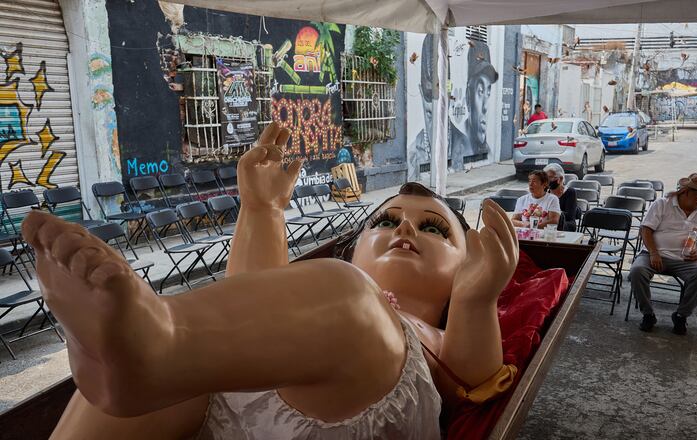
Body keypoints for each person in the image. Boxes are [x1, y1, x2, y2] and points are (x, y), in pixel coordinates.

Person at [26, 122, 519, 439]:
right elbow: (253, 290)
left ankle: (157, 345)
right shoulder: (305, 305)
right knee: (163, 384)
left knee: (349, 300)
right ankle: (145, 357)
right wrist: (262, 209)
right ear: (356, 248)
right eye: (386, 222)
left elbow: (474, 379)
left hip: (369, 405)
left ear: (461, 269)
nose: (406, 228)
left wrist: (476, 300)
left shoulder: (418, 326)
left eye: (434, 229)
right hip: (241, 398)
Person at [629, 173, 697, 335]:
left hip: (685, 260)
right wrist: (654, 253)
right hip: (653, 254)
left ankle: (681, 315)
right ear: (685, 192)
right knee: (636, 271)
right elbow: (646, 229)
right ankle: (648, 314)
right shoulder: (662, 204)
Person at [408, 34, 468, 180]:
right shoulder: (414, 151)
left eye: (440, 106)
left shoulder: (460, 142)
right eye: (430, 113)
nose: (435, 122)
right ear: (422, 94)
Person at [464, 43, 499, 159]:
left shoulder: (489, 151)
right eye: (480, 91)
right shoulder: (459, 145)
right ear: (468, 97)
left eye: (488, 93)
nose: (485, 107)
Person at [543, 163, 578, 232]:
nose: (547, 180)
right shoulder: (545, 191)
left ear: (560, 178)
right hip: (549, 222)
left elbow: (569, 215)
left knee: (552, 225)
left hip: (566, 223)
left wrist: (552, 213)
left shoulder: (570, 192)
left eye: (550, 177)